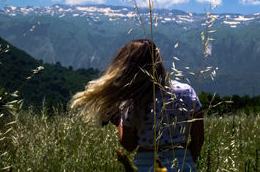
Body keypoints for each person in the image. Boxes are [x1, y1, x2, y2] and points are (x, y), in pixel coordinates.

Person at [71, 39, 204, 171]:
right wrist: (187, 163)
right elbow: (198, 138)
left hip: (146, 164)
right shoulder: (187, 92)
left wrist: (118, 120)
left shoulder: (132, 102)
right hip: (182, 162)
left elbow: (129, 144)